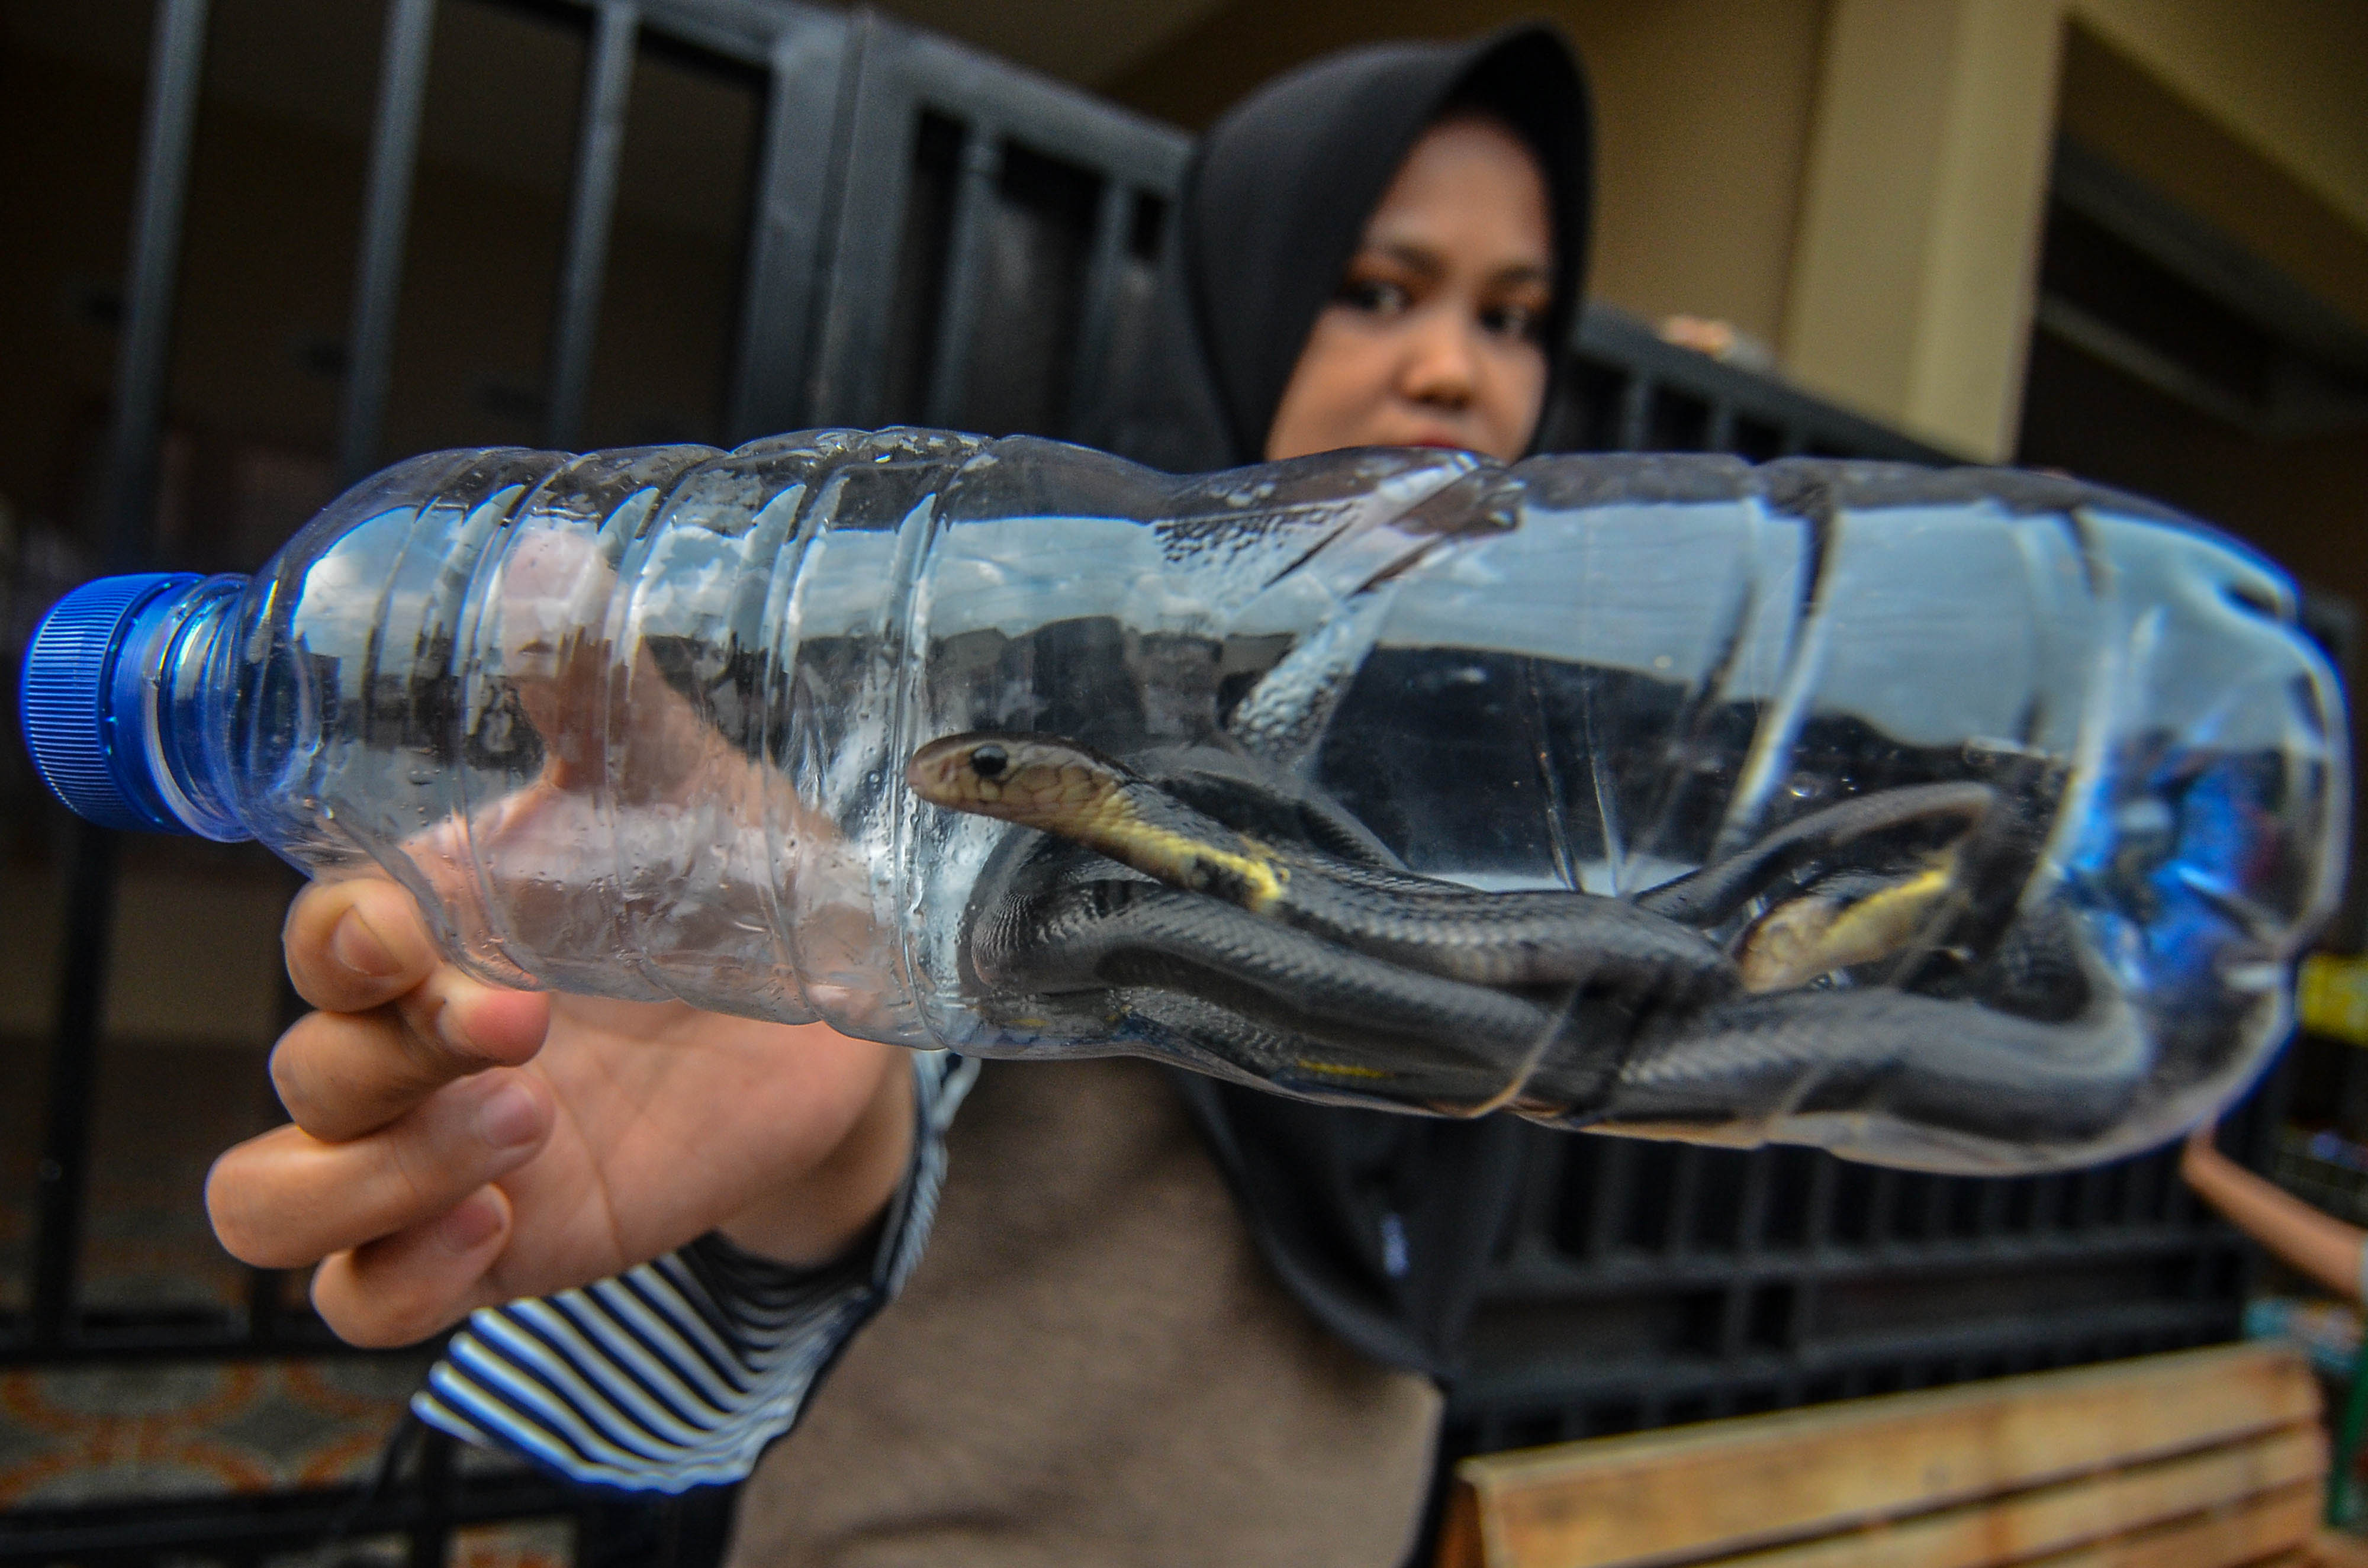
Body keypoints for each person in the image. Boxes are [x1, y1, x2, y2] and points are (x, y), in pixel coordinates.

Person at [204, 25, 1592, 1566]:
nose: (1458, 370)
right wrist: (824, 1099)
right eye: (1377, 290)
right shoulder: (1023, 670)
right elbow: (840, 1091)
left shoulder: (1502, 768)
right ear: (1241, 298)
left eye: (1517, 316)